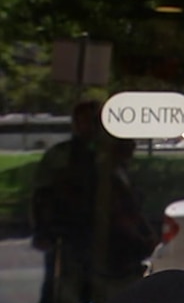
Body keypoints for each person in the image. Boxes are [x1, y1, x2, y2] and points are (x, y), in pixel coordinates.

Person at [31, 100, 101, 303]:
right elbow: (42, 195)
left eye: (95, 121)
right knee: (61, 286)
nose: (90, 126)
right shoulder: (60, 156)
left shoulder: (109, 154)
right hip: (66, 232)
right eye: (86, 121)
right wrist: (42, 230)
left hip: (101, 233)